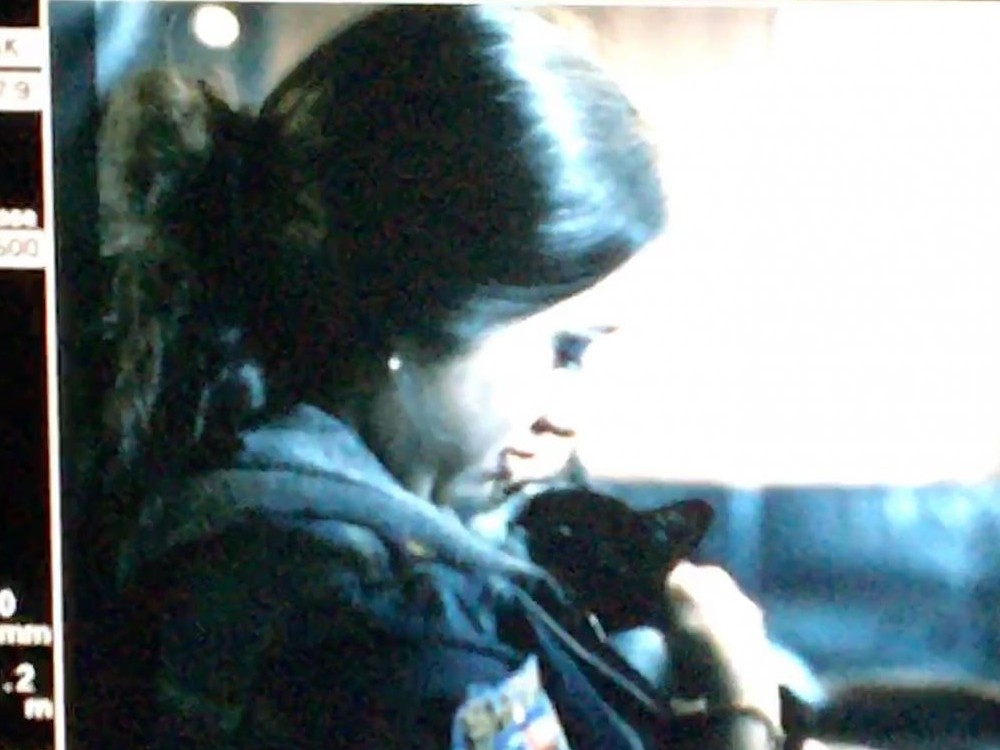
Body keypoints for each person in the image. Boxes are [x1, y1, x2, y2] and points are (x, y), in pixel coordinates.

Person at [80, 6, 800, 750]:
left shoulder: (262, 519)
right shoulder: (391, 633)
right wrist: (742, 707)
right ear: (405, 313)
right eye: (565, 350)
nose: (568, 417)